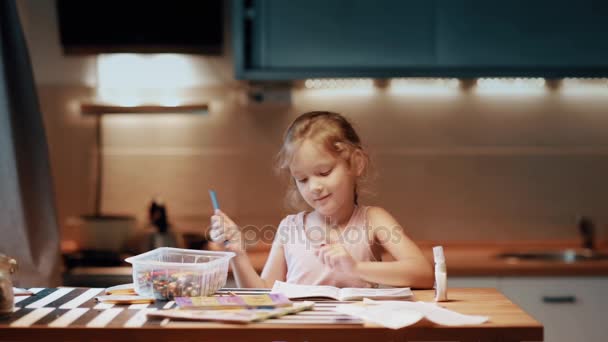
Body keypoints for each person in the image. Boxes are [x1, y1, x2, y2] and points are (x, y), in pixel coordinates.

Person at [210, 111, 433, 289]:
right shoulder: (289, 228)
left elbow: (423, 274)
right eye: (302, 179)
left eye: (324, 172)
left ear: (355, 163)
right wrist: (237, 254)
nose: (314, 187)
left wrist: (355, 267)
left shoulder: (373, 220)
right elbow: (264, 294)